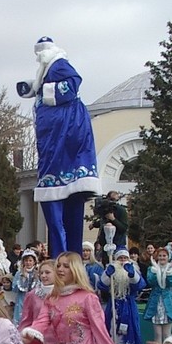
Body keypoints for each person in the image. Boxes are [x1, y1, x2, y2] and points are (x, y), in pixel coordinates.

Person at [17, 37, 101, 257]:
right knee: (55, 207)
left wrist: (42, 92)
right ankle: (62, 255)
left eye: (41, 51)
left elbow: (71, 84)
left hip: (64, 138)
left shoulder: (59, 63)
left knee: (63, 209)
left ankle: (64, 256)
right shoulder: (48, 68)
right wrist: (34, 88)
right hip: (54, 138)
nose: (39, 55)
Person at [97, 248, 145, 344]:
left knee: (131, 331)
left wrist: (132, 274)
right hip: (114, 306)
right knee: (112, 330)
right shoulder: (112, 270)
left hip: (129, 306)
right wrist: (107, 274)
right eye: (120, 258)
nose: (123, 261)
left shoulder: (133, 270)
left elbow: (140, 285)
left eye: (125, 258)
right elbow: (102, 285)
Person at [19, 259, 56, 331]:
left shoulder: (64, 293)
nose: (43, 275)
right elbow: (26, 320)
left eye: (47, 272)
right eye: (41, 273)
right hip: (38, 336)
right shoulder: (32, 295)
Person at [91, 191, 129, 260]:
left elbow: (123, 228)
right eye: (111, 199)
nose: (112, 202)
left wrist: (113, 219)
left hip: (118, 244)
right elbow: (103, 222)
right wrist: (94, 224)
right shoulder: (104, 209)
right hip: (105, 245)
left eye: (115, 200)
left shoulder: (121, 210)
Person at [12, 249, 40, 324]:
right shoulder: (19, 273)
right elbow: (14, 288)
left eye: (30, 260)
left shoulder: (37, 273)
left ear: (34, 262)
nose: (28, 263)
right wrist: (23, 279)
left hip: (34, 299)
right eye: (26, 260)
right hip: (21, 300)